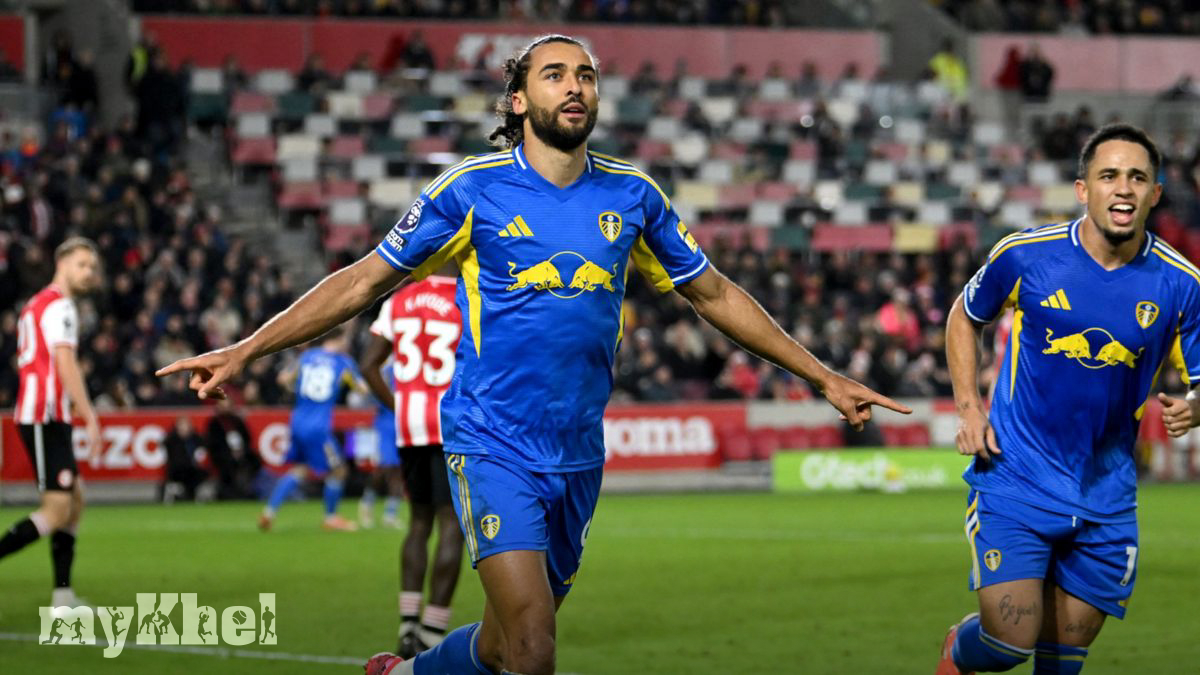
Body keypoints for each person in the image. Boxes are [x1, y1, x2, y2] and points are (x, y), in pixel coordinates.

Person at [157, 34, 908, 675]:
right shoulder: (470, 191)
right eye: (554, 75)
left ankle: (410, 670)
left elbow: (712, 293)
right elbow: (362, 281)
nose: (575, 87)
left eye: (586, 76)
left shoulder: (635, 196)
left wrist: (822, 375)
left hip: (578, 451)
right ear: (518, 100)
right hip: (492, 441)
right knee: (536, 648)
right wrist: (249, 348)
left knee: (500, 645)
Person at [937, 124, 1200, 675]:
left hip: (1107, 495)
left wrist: (1197, 406)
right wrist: (968, 408)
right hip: (1016, 476)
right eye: (1109, 176)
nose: (1123, 188)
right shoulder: (1025, 255)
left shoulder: (1183, 284)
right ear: (1083, 189)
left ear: (1155, 193)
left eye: (1137, 177)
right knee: (1008, 645)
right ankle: (958, 650)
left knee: (1061, 666)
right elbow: (965, 315)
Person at [361, 274, 466, 658]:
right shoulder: (466, 296)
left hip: (411, 426)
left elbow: (369, 365)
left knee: (419, 523)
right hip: (452, 425)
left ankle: (407, 626)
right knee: (451, 524)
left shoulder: (399, 300)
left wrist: (400, 406)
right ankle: (432, 633)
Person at [0, 237, 102, 611]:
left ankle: (62, 596)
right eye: (81, 264)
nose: (88, 272)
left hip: (47, 413)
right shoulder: (61, 306)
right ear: (61, 263)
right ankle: (61, 598)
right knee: (57, 510)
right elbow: (64, 362)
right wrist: (89, 415)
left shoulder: (37, 304)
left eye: (92, 267)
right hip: (44, 415)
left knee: (76, 499)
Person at [259, 327, 363, 531]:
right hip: (318, 427)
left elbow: (282, 379)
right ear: (339, 340)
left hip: (297, 421)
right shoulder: (343, 362)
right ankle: (331, 518)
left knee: (300, 469)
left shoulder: (307, 356)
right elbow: (362, 388)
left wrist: (297, 389)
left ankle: (269, 512)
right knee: (339, 470)